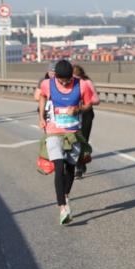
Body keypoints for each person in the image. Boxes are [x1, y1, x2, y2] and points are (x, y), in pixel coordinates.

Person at [35, 59, 96, 225]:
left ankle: (66, 195)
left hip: (73, 132)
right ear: (56, 76)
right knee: (59, 167)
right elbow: (42, 96)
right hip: (54, 131)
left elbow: (89, 104)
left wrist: (78, 109)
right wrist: (41, 117)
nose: (64, 83)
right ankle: (62, 207)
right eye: (61, 80)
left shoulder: (81, 85)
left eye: (67, 80)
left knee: (70, 168)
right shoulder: (48, 84)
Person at [72, 64, 97, 179]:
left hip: (86, 114)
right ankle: (78, 165)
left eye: (75, 76)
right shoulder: (68, 83)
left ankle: (80, 166)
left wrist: (85, 102)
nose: (73, 79)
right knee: (75, 140)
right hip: (73, 114)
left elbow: (96, 99)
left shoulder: (87, 82)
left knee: (83, 140)